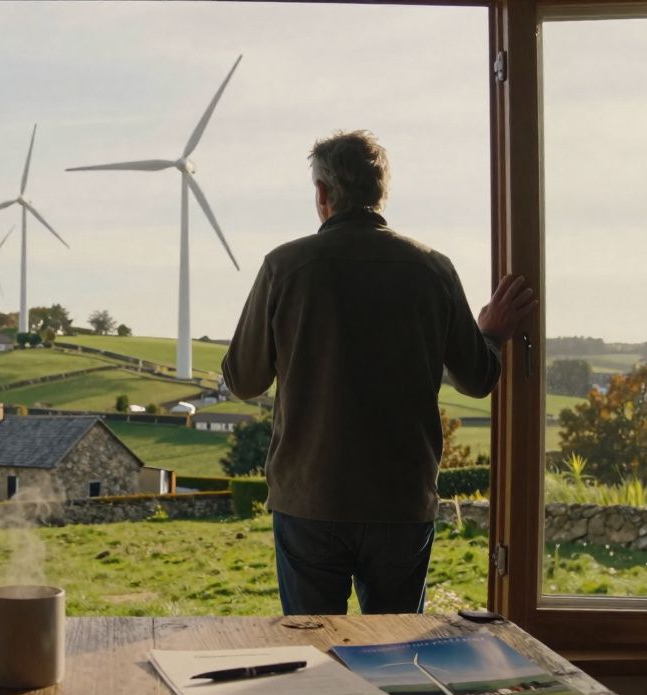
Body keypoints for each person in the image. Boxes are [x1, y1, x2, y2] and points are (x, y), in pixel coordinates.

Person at [221, 130, 536, 615]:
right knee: (394, 657)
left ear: (323, 194)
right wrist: (492, 334)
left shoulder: (285, 267)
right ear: (380, 192)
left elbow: (243, 382)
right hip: (400, 501)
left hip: (310, 498)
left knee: (316, 652)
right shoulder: (433, 269)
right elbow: (477, 379)